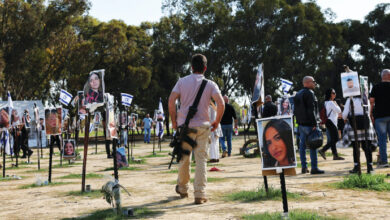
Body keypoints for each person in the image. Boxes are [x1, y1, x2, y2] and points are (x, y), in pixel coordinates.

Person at [168, 53, 224, 204]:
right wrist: (216, 121)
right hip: (204, 126)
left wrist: (174, 121)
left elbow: (171, 100)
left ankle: (182, 188)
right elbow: (221, 103)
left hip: (185, 126)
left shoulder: (182, 82)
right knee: (201, 159)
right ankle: (199, 193)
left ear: (191, 67)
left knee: (184, 158)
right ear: (205, 68)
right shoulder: (211, 84)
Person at [293, 76, 324, 174]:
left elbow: (295, 110)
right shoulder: (310, 93)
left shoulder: (298, 94)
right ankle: (314, 168)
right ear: (308, 82)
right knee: (313, 144)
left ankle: (304, 167)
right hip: (309, 124)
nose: (315, 83)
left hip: (301, 124)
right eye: (313, 82)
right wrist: (314, 123)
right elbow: (311, 109)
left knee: (302, 146)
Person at [343, 96, 375, 173]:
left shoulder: (350, 100)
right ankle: (370, 166)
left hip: (354, 124)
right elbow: (369, 111)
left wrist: (345, 118)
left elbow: (344, 114)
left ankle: (357, 167)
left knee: (356, 147)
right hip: (366, 124)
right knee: (367, 147)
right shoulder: (365, 99)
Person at [370, 69, 390, 168]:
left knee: (382, 140)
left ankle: (384, 161)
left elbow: (372, 101)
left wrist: (370, 114)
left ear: (382, 76)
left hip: (380, 117)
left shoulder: (376, 87)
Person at [318, 89, 344, 160]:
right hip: (331, 122)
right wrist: (335, 103)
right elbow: (339, 110)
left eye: (335, 93)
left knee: (333, 139)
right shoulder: (330, 103)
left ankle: (335, 155)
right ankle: (323, 150)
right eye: (333, 93)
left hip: (330, 122)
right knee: (336, 138)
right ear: (330, 94)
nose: (335, 94)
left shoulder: (326, 102)